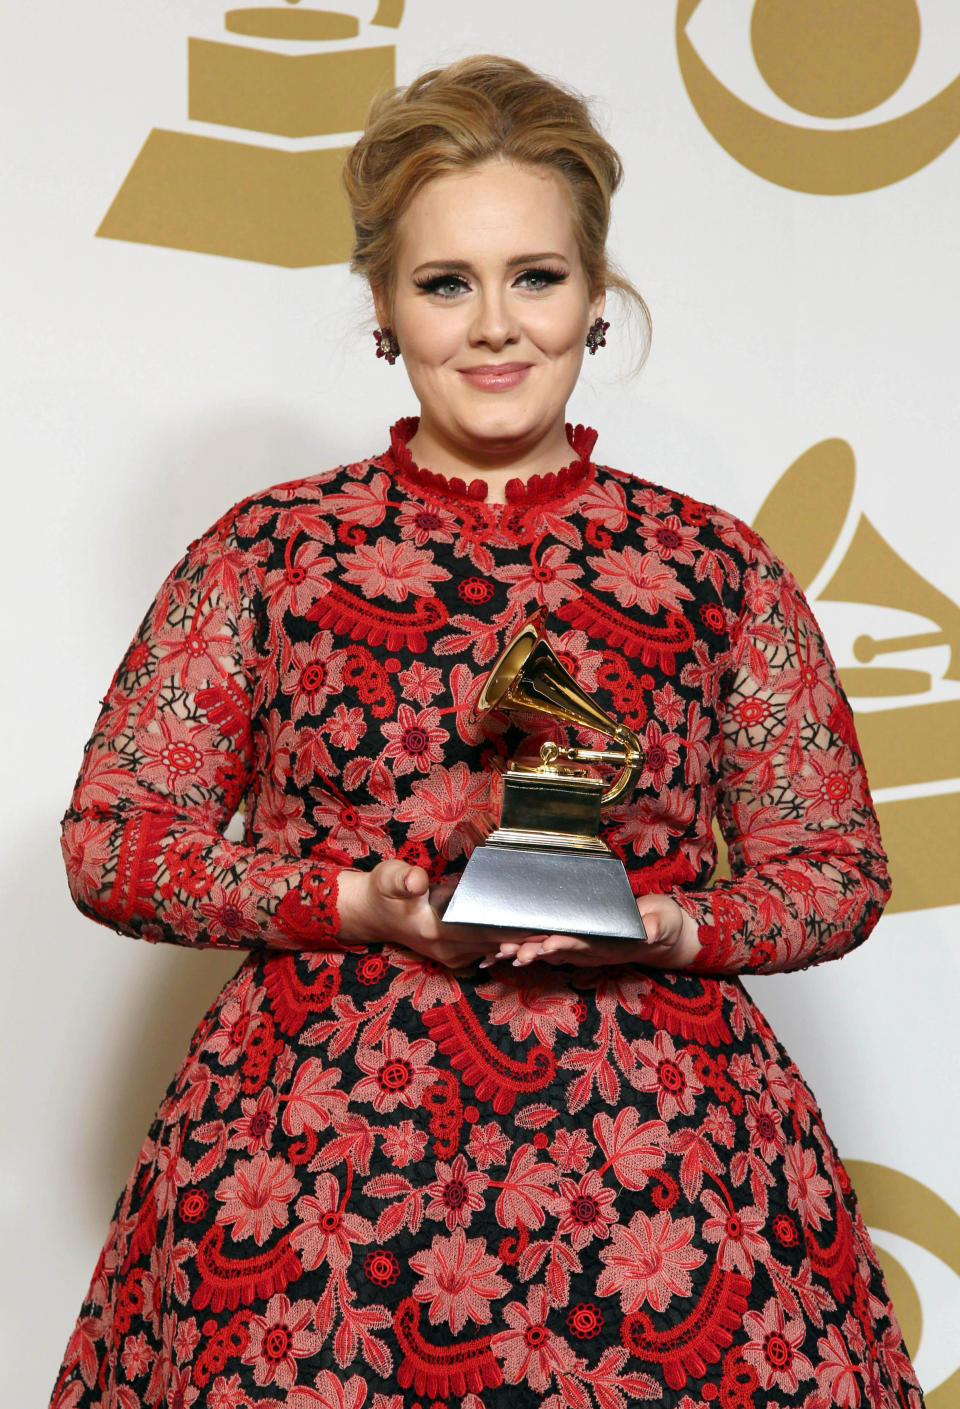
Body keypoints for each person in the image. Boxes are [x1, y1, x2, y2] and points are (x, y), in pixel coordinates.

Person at [51, 54, 923, 1409]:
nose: (496, 326)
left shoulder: (710, 565)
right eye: (446, 282)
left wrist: (671, 926)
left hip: (666, 1202)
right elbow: (112, 843)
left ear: (595, 300)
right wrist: (346, 901)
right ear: (386, 311)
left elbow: (837, 865)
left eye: (538, 277)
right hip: (316, 1203)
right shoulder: (271, 552)